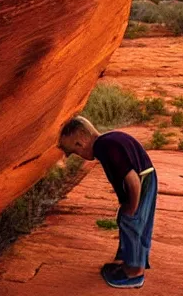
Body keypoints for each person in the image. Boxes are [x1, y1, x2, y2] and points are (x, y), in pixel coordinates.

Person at [59, 116, 157, 289]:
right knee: (128, 220)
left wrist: (131, 207)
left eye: (75, 148)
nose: (78, 153)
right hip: (146, 178)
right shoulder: (108, 140)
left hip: (142, 183)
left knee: (131, 221)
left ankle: (134, 273)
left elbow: (132, 178)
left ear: (83, 137)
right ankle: (126, 262)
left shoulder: (104, 146)